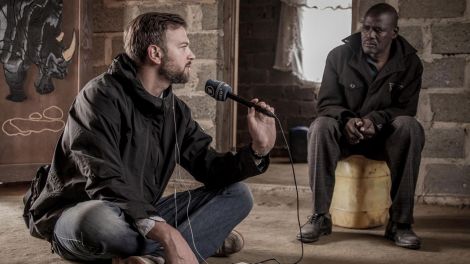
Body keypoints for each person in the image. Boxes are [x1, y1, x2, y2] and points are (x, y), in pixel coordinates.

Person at [23, 12, 276, 264]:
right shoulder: (98, 97)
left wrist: (258, 150)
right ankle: (195, 240)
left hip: (139, 214)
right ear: (155, 54)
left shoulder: (176, 111)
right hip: (79, 212)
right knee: (98, 222)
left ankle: (155, 256)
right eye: (183, 47)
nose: (192, 55)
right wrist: (167, 233)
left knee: (238, 194)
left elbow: (209, 167)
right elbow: (103, 179)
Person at [297, 3, 424, 250]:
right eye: (366, 28)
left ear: (394, 32)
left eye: (378, 30)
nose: (370, 35)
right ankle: (320, 216)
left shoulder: (410, 64)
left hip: (384, 138)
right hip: (344, 135)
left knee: (410, 127)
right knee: (320, 126)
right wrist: (346, 120)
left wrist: (376, 120)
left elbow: (405, 109)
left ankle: (400, 223)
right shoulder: (338, 56)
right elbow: (326, 104)